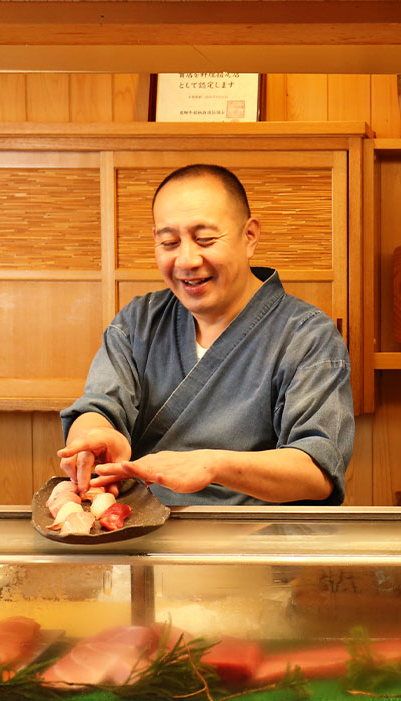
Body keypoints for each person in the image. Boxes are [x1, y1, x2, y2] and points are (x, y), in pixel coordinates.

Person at [58, 164, 353, 505]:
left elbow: (317, 472)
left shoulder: (306, 335)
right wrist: (95, 435)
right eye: (169, 242)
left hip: (255, 533)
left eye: (205, 240)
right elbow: (99, 406)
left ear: (249, 236)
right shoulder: (138, 322)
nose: (187, 260)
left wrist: (213, 465)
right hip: (140, 527)